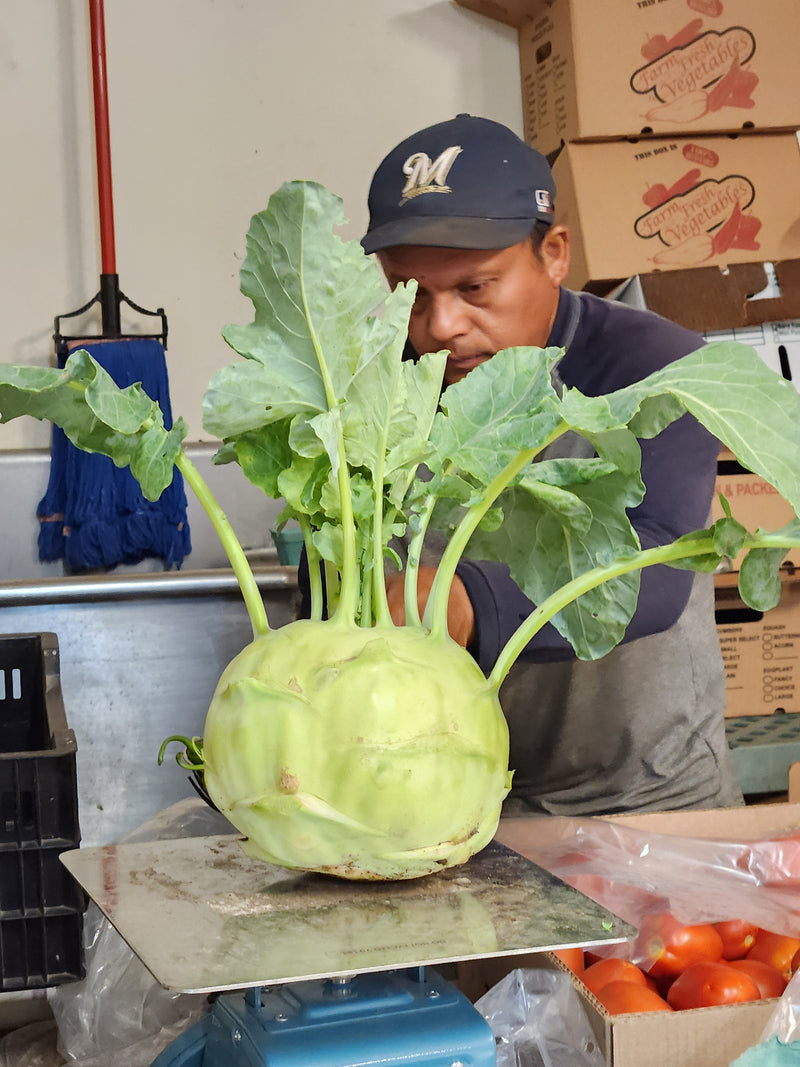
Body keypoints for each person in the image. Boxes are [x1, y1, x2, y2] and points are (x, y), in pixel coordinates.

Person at [359, 113, 743, 816]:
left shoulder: (657, 367)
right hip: (459, 807)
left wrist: (467, 600)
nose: (439, 326)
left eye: (475, 288)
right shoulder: (375, 389)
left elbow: (654, 566)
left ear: (555, 254)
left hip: (650, 799)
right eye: (410, 293)